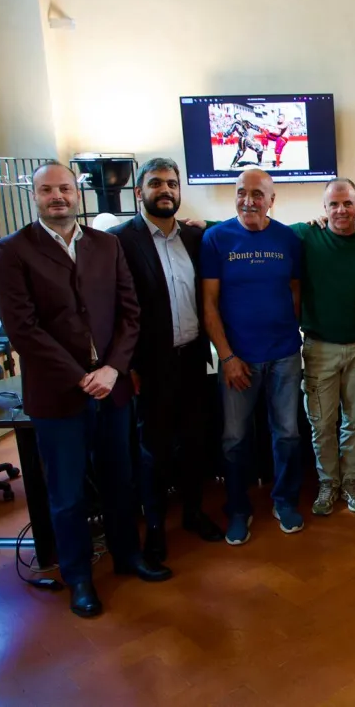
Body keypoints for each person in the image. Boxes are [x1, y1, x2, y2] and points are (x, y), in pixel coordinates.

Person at [0, 161, 170, 618]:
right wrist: (79, 375)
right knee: (68, 493)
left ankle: (128, 556)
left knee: (120, 478)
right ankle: (78, 577)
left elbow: (131, 314)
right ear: (35, 196)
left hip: (112, 389)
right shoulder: (13, 251)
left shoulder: (105, 245)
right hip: (58, 395)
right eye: (48, 190)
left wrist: (113, 368)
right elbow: (23, 329)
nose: (59, 196)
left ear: (77, 194)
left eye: (66, 189)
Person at [109, 157, 224, 564]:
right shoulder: (119, 241)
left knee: (195, 441)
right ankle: (155, 527)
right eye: (156, 183)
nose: (166, 190)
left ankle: (193, 513)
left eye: (172, 184)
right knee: (153, 450)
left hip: (193, 358)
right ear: (139, 191)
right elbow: (115, 311)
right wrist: (128, 365)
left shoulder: (196, 238)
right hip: (149, 365)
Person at [201, 168, 303, 546]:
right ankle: (238, 508)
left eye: (258, 194)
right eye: (242, 192)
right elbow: (209, 304)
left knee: (288, 434)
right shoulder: (216, 238)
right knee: (234, 438)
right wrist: (226, 357)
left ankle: (285, 500)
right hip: (237, 361)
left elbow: (295, 293)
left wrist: (287, 336)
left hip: (284, 357)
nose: (249, 200)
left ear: (272, 200)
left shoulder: (289, 239)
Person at [290, 178, 355, 517]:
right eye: (333, 204)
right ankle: (328, 484)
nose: (340, 210)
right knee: (321, 423)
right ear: (323, 208)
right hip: (319, 348)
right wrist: (197, 224)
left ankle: (351, 483)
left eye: (347, 203)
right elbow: (258, 226)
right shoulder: (305, 234)